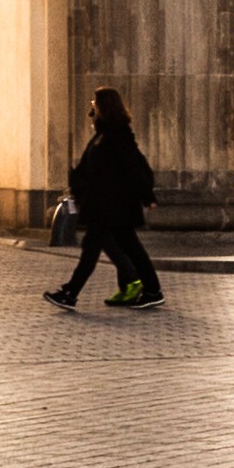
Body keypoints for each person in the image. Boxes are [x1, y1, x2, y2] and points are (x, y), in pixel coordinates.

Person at [50, 85, 161, 310]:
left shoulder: (118, 135)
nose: (91, 108)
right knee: (131, 250)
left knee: (92, 250)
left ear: (104, 107)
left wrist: (147, 195)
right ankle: (152, 290)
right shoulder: (103, 135)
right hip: (106, 205)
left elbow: (135, 167)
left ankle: (70, 293)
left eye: (94, 104)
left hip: (111, 206)